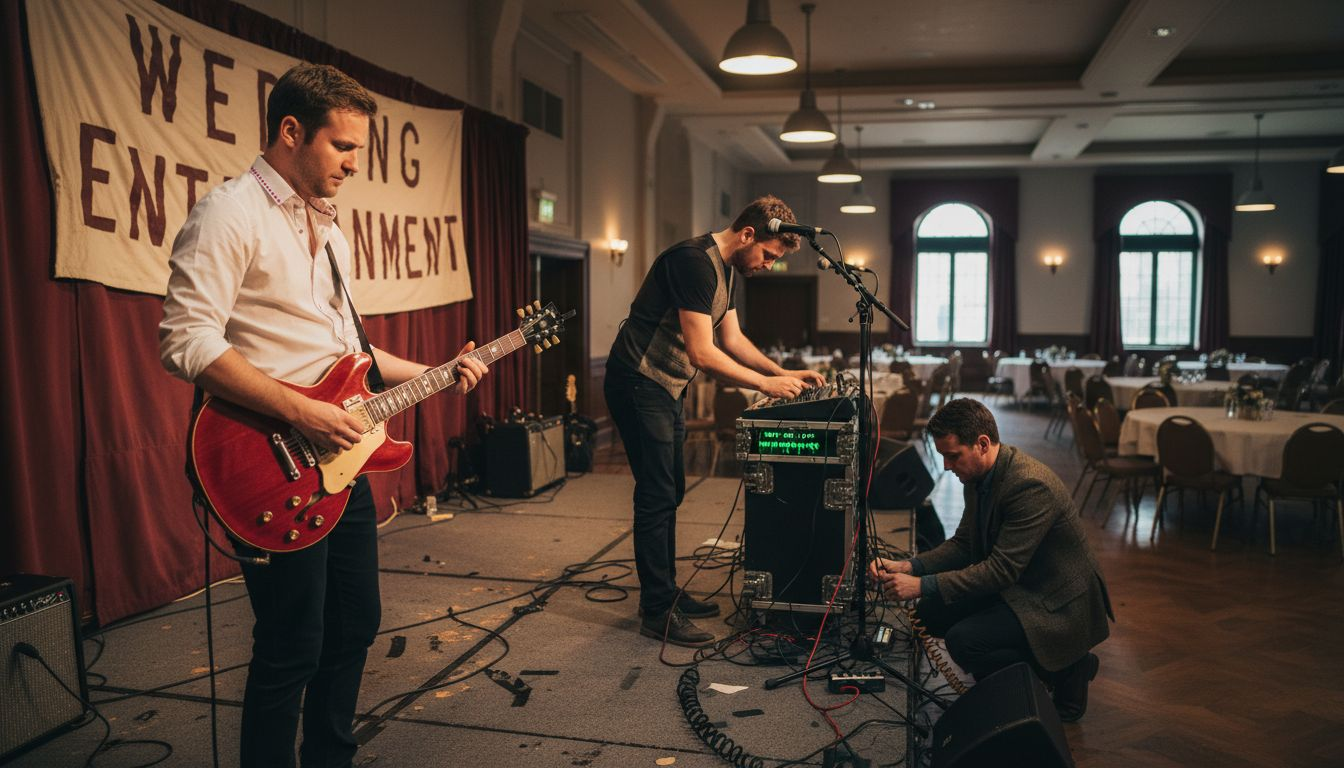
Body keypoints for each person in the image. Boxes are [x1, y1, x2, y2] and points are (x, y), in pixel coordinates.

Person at [159, 63, 488, 767]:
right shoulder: (230, 213)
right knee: (291, 642)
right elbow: (186, 341)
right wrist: (303, 413)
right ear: (290, 131)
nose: (353, 164)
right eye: (342, 147)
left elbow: (350, 356)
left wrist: (439, 373)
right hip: (266, 459)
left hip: (339, 461)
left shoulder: (332, 233)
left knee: (355, 622)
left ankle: (330, 757)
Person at [604, 195, 826, 647]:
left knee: (672, 489)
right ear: (748, 234)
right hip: (638, 381)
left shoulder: (727, 268)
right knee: (657, 493)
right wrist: (764, 387)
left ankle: (665, 592)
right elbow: (704, 354)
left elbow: (734, 338)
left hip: (665, 386)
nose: (767, 265)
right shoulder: (693, 262)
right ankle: (657, 610)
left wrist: (781, 373)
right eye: (767, 255)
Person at [869, 398, 1112, 721]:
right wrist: (911, 566)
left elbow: (1000, 571)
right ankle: (1017, 680)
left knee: (964, 641)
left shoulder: (1029, 485)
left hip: (1055, 601)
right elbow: (965, 544)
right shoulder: (979, 474)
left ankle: (1066, 670)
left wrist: (921, 585)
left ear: (982, 444)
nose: (946, 466)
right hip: (1024, 585)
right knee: (930, 613)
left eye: (952, 456)